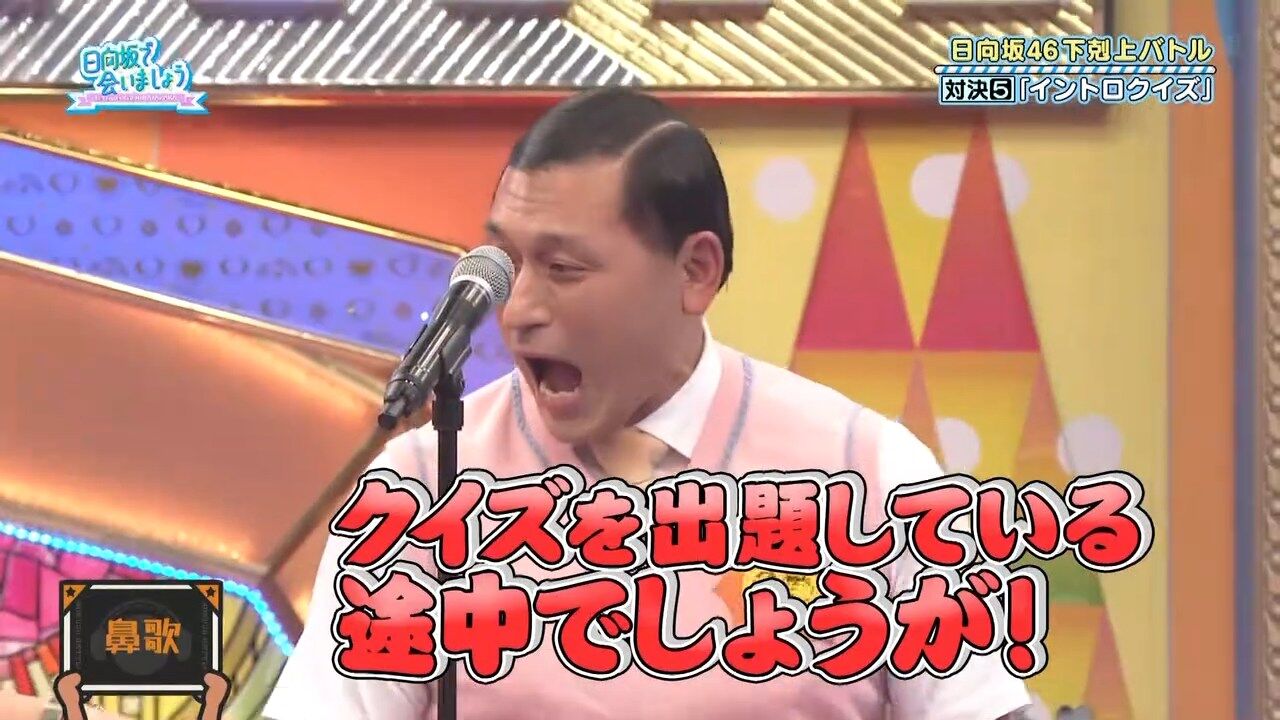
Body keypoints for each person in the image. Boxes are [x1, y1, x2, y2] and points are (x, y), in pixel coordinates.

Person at [263, 88, 1036, 720]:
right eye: (510, 260)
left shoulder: (868, 471)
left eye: (564, 268)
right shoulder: (424, 484)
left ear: (695, 271)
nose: (518, 309)